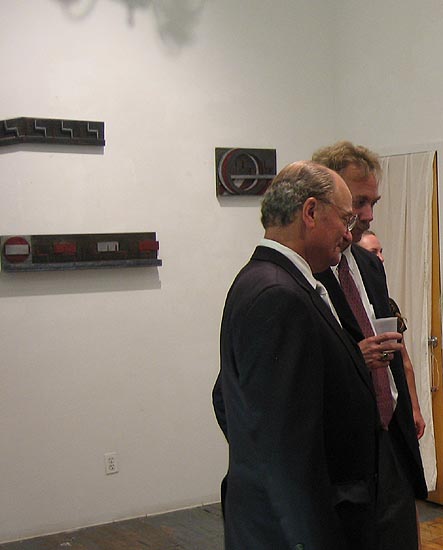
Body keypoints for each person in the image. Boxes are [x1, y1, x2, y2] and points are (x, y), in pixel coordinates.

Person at [213, 161, 381, 549]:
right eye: (345, 218)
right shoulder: (278, 295)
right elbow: (284, 448)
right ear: (310, 212)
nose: (348, 233)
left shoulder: (268, 281)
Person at [312, 141, 427, 550]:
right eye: (358, 203)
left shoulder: (368, 266)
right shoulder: (302, 276)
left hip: (389, 445)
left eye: (372, 203)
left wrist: (409, 409)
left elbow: (393, 351)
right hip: (341, 461)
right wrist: (353, 360)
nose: (368, 215)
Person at [358, 230, 426, 439]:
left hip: (394, 403)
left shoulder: (387, 304)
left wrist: (415, 408)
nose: (380, 258)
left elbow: (404, 362)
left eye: (381, 251)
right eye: (373, 252)